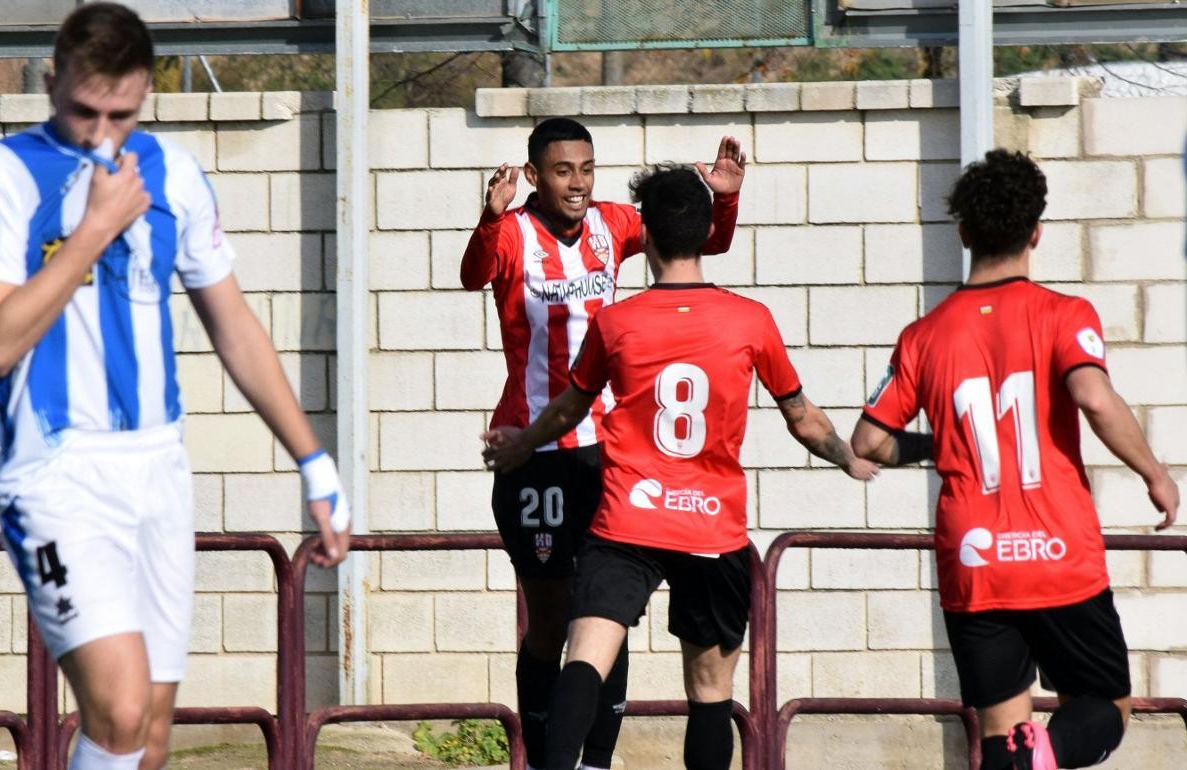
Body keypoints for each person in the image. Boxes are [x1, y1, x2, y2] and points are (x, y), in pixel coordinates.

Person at [0, 4, 351, 768]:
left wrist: (314, 464)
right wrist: (94, 231)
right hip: (53, 473)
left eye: (121, 114)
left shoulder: (174, 175)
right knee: (119, 708)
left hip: (157, 468)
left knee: (152, 736)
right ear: (49, 83)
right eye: (83, 110)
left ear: (146, 100)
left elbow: (234, 326)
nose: (101, 132)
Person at [483, 165, 876, 770]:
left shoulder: (616, 322)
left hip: (627, 523)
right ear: (702, 233)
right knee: (711, 697)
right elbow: (801, 417)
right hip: (711, 529)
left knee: (585, 658)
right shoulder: (750, 320)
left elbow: (568, 409)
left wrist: (520, 446)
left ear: (649, 237)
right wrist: (848, 456)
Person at [852, 149, 1179, 770]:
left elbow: (869, 442)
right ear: (1036, 230)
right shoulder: (1064, 315)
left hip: (976, 559)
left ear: (964, 233)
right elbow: (1092, 395)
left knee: (1003, 734)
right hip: (1057, 550)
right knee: (1107, 703)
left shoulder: (923, 335)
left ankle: (1032, 753)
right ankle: (1048, 750)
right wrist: (1154, 474)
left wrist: (938, 446)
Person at [462, 117, 746, 770]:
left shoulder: (611, 223)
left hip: (603, 455)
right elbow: (472, 274)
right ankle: (540, 755)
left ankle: (595, 762)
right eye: (564, 171)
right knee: (551, 623)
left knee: (601, 616)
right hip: (532, 453)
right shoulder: (511, 233)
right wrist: (486, 215)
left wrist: (723, 197)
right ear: (535, 175)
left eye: (587, 170)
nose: (579, 183)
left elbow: (694, 244)